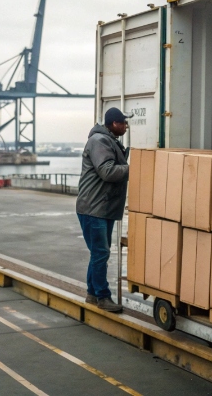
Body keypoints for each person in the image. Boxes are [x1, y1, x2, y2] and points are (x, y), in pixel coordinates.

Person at [75, 107, 130, 313]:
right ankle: (103, 297)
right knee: (101, 253)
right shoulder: (99, 141)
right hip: (93, 207)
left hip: (102, 207)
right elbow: (107, 171)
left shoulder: (110, 141)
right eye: (123, 123)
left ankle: (92, 293)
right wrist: (135, 168)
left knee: (98, 253)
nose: (126, 127)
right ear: (114, 124)